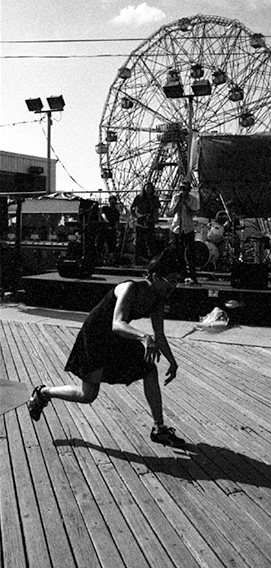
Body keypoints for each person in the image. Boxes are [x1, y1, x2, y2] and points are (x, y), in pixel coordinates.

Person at [28, 247, 185, 446]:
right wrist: (144, 337)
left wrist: (172, 362)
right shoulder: (130, 288)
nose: (174, 286)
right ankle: (43, 392)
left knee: (149, 370)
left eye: (177, 281)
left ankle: (159, 428)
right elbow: (117, 323)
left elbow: (160, 335)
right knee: (88, 395)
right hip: (96, 336)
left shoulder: (157, 298)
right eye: (170, 280)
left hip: (118, 338)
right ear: (154, 276)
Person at [169, 179, 199, 284]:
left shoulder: (193, 199)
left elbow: (192, 214)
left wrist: (186, 204)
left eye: (185, 189)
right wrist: (178, 202)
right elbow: (172, 211)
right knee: (178, 252)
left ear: (188, 190)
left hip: (188, 228)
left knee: (190, 252)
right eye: (181, 188)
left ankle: (193, 275)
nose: (183, 191)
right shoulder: (176, 197)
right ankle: (182, 273)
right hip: (177, 228)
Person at [131, 182, 160, 265]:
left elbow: (156, 210)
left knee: (150, 241)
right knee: (138, 241)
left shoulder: (154, 199)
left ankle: (150, 259)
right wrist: (136, 217)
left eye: (150, 188)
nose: (148, 189)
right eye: (147, 188)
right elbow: (132, 208)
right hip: (140, 222)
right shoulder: (139, 198)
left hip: (149, 222)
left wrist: (154, 218)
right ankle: (138, 258)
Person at [97, 195, 121, 260]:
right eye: (112, 203)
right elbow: (103, 215)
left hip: (111, 230)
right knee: (100, 243)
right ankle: (99, 256)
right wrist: (107, 222)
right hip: (103, 229)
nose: (113, 205)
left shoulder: (116, 212)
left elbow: (117, 222)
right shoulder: (105, 208)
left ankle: (111, 256)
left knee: (112, 243)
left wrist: (116, 228)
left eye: (114, 203)